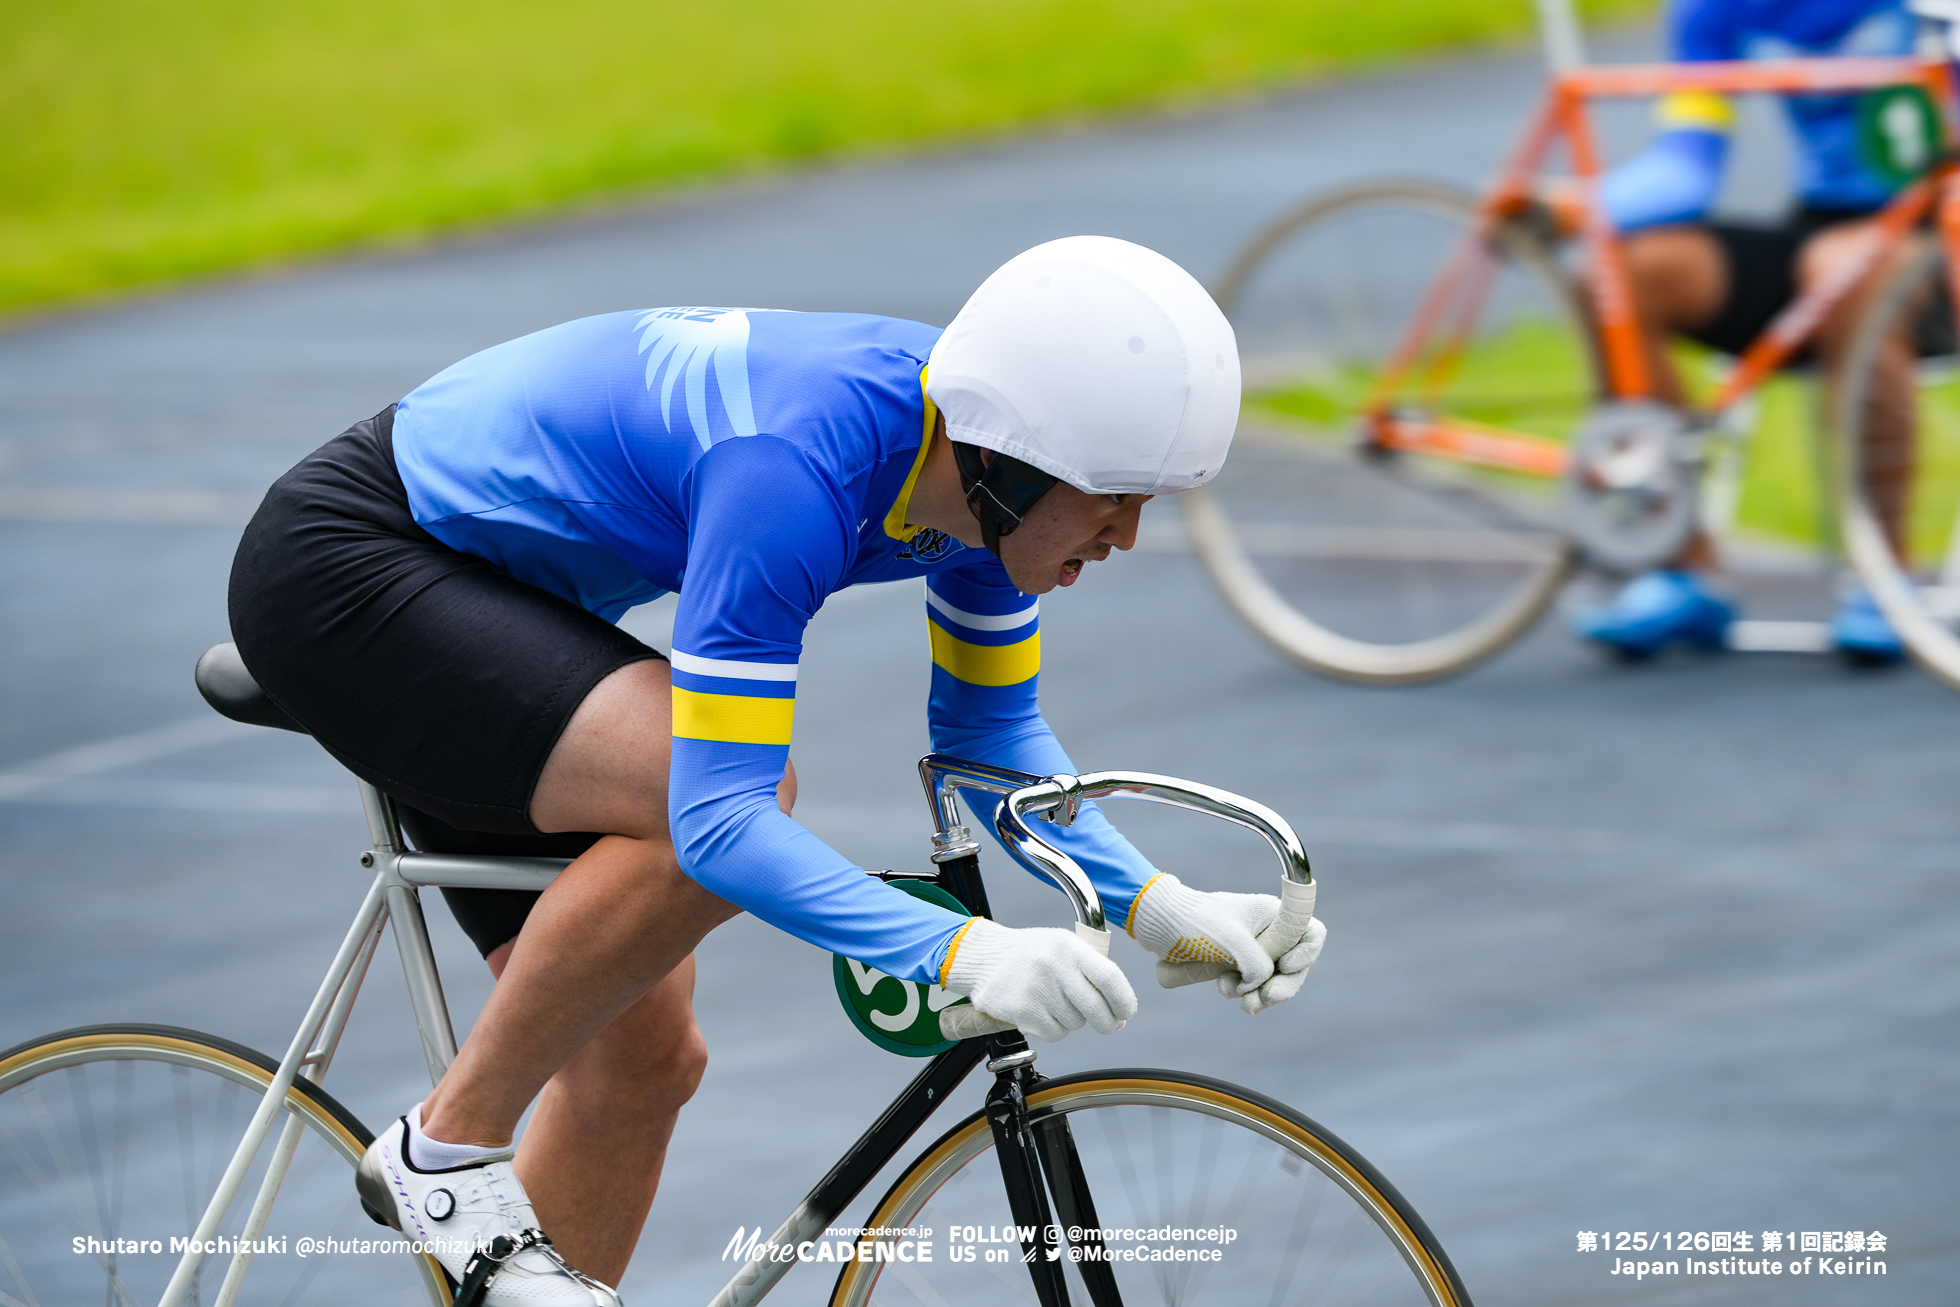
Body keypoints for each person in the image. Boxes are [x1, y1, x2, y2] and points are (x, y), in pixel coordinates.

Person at [227, 235, 1326, 1305]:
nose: (1128, 534)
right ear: (1010, 456)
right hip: (351, 567)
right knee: (706, 789)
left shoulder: (982, 482)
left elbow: (989, 736)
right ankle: (443, 1151)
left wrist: (1156, 907)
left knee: (641, 1066)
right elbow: (717, 823)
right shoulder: (794, 469)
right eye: (1112, 495)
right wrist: (961, 948)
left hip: (510, 606)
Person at [1573, 0, 1916, 662]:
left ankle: (1885, 576)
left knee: (1847, 266)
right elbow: (1687, 167)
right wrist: (1585, 210)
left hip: (1934, 240)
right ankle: (1680, 564)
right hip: (1821, 226)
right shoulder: (1716, 13)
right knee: (1622, 275)